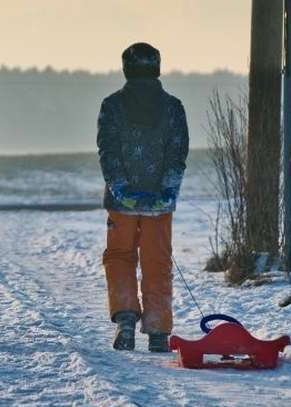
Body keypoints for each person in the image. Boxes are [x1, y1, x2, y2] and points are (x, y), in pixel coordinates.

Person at [97, 42, 189, 352]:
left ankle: (125, 317)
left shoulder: (111, 106)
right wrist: (167, 190)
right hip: (160, 203)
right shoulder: (173, 107)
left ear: (126, 69)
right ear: (157, 68)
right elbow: (178, 154)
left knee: (120, 256)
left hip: (122, 202)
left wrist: (120, 186)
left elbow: (107, 152)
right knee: (157, 262)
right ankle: (158, 331)